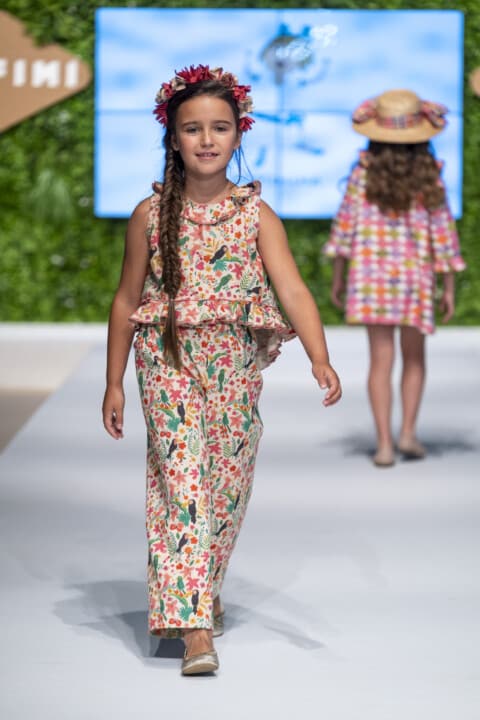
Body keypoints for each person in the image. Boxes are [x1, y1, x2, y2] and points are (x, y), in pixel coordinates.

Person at [102, 64, 341, 675]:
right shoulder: (149, 215)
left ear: (239, 134)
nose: (206, 139)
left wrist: (319, 357)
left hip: (234, 361)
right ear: (172, 137)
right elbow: (127, 300)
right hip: (166, 356)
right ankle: (194, 630)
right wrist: (113, 382)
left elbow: (293, 289)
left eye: (220, 127)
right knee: (181, 481)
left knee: (226, 484)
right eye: (192, 128)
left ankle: (202, 589)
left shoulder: (256, 215)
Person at [324, 89, 465, 468]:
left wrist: (338, 277)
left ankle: (385, 444)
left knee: (380, 361)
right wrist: (449, 286)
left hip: (371, 279)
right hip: (415, 279)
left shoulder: (363, 175)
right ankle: (408, 433)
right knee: (414, 358)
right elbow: (443, 234)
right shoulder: (429, 177)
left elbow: (344, 228)